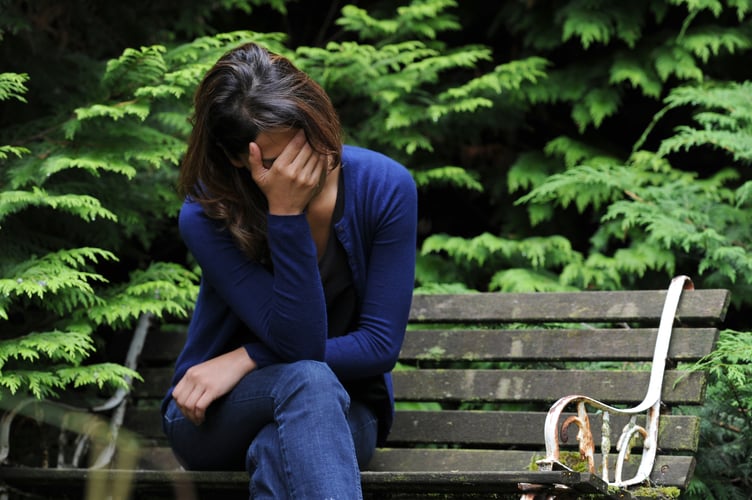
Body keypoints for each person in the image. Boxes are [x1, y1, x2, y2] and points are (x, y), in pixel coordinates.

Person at [160, 42, 418, 500]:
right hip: (212, 410)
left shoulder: (385, 187)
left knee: (280, 445)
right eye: (285, 160)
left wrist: (247, 356)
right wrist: (285, 213)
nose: (309, 167)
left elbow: (379, 345)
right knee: (308, 378)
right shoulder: (207, 212)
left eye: (314, 138)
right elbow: (300, 345)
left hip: (346, 410)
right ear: (238, 158)